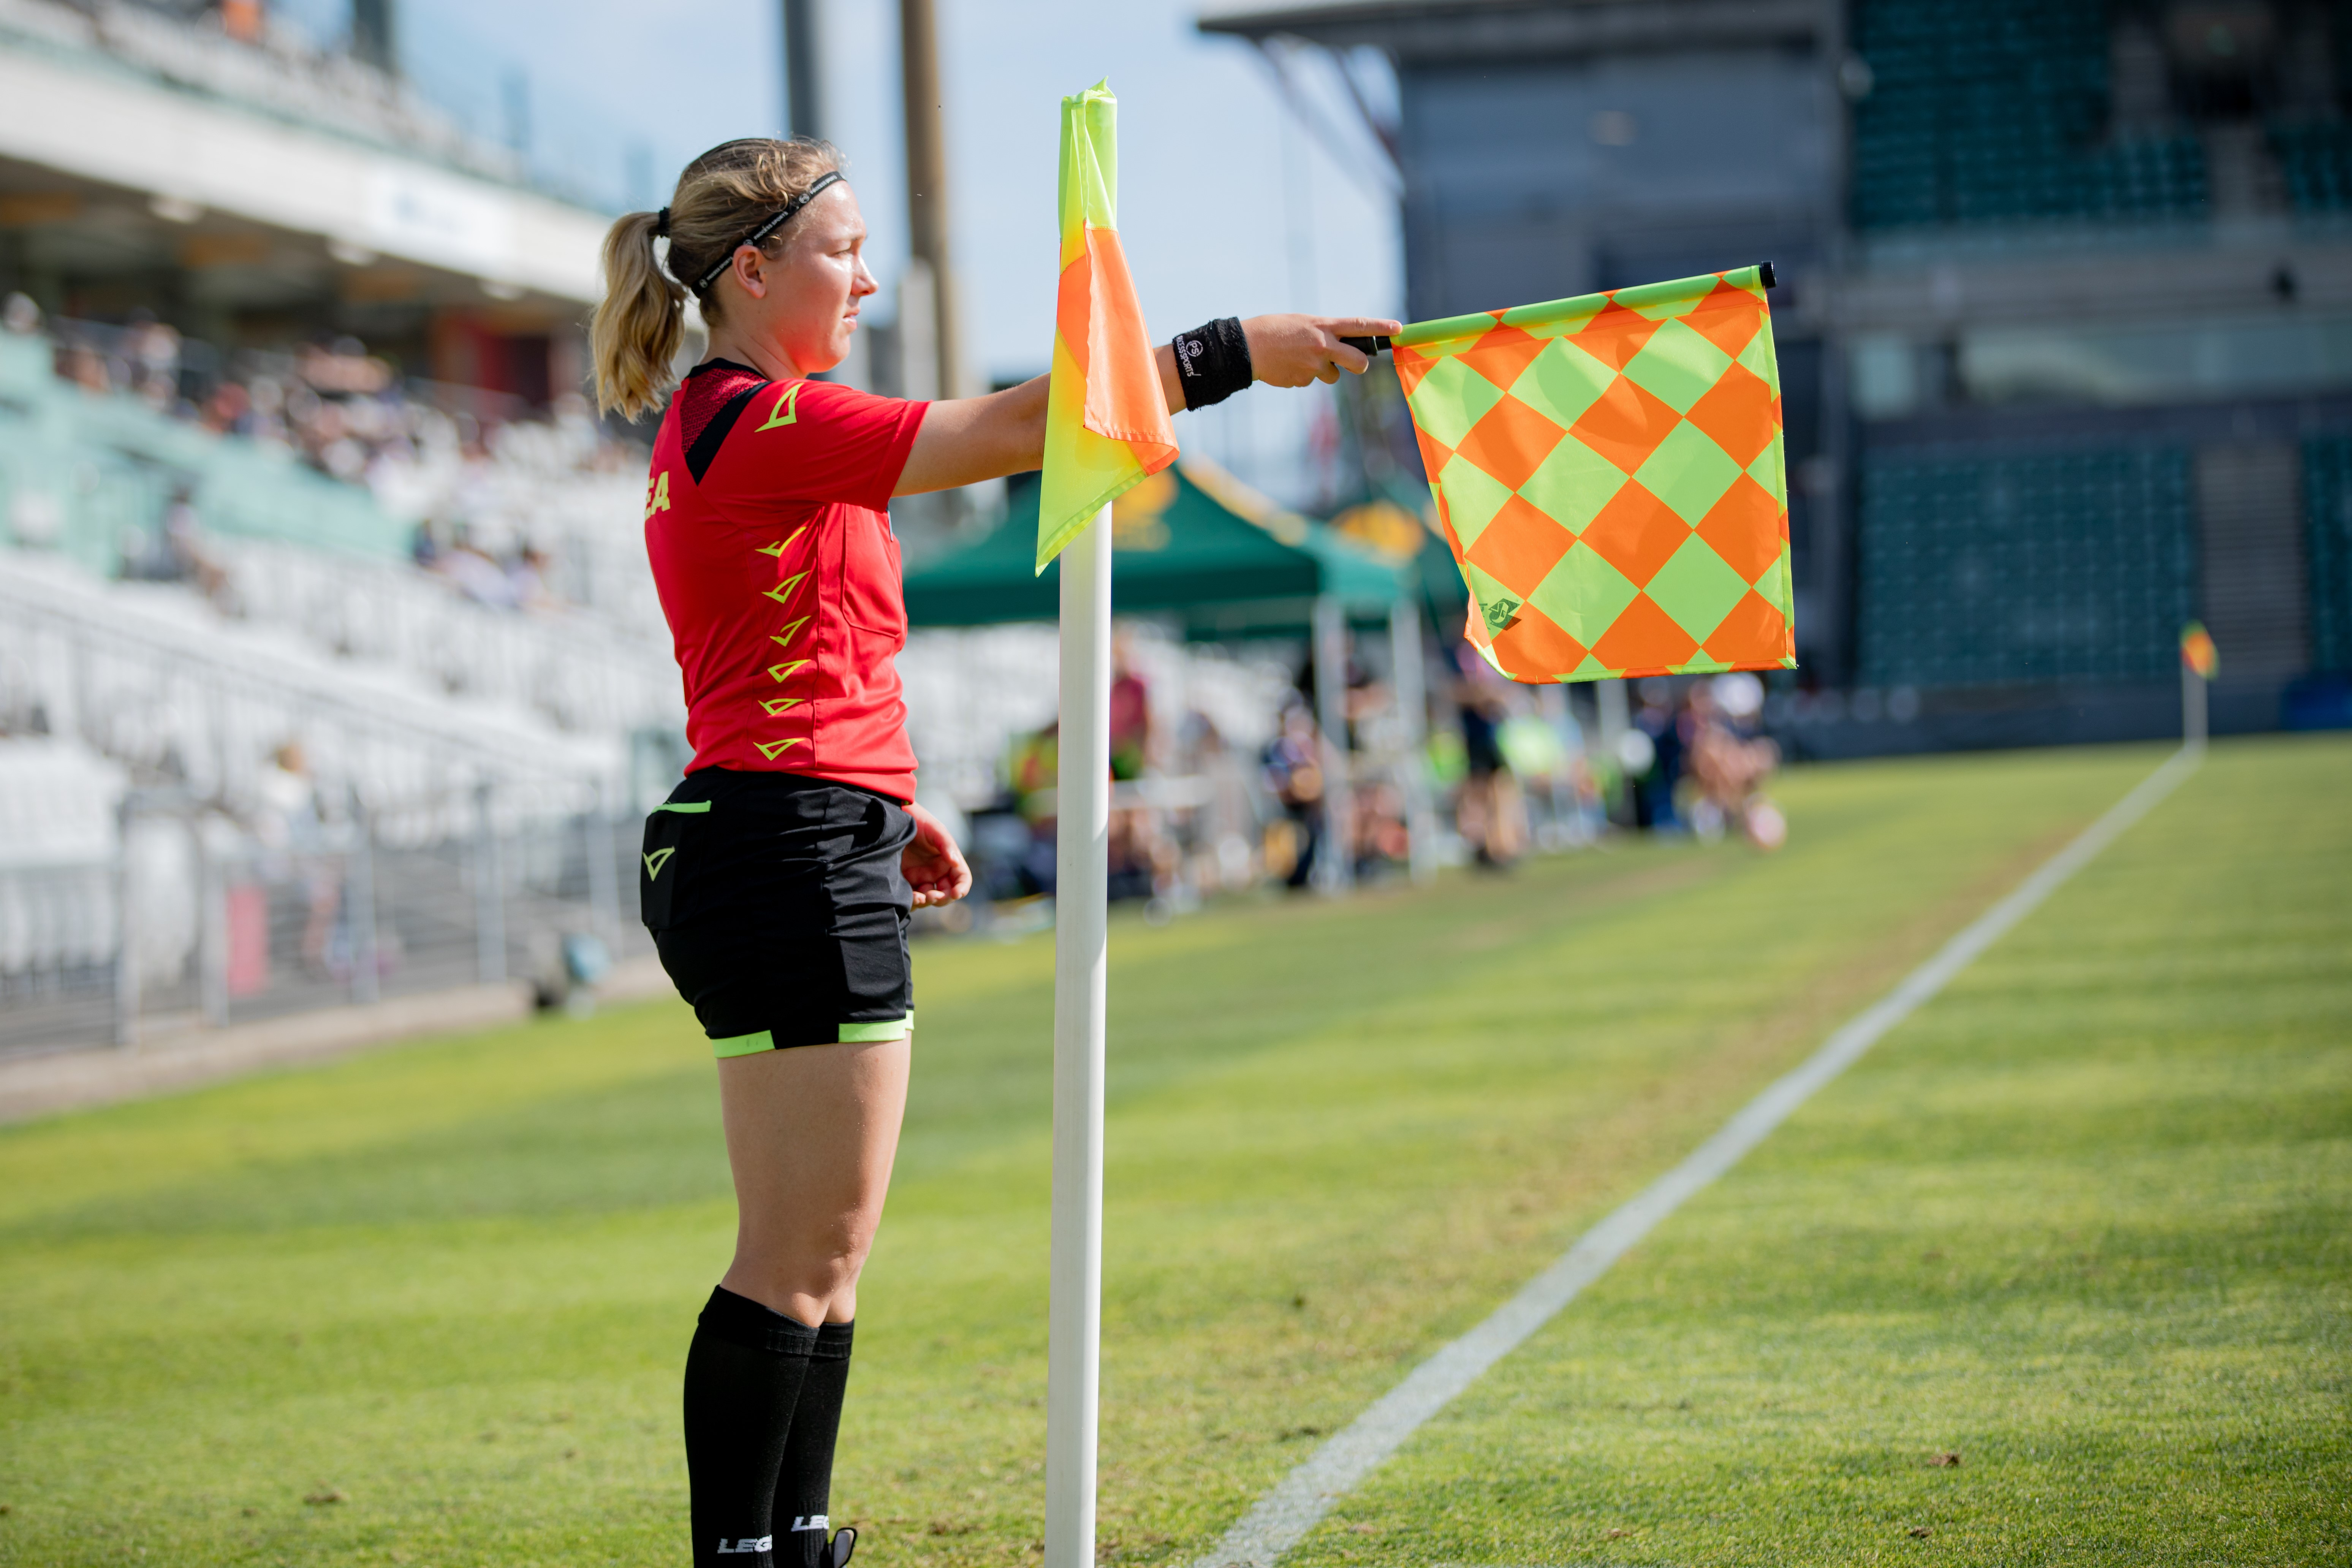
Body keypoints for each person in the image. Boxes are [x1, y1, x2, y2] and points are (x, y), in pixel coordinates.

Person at [588, 136, 1398, 1568]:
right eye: (842, 251)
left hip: (792, 829)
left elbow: (794, 657)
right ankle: (744, 1556)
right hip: (781, 847)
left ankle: (794, 1539)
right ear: (753, 269)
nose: (867, 278)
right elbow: (1026, 425)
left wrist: (890, 810)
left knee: (824, 1259)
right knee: (801, 1260)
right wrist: (1229, 353)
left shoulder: (737, 423)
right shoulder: (763, 420)